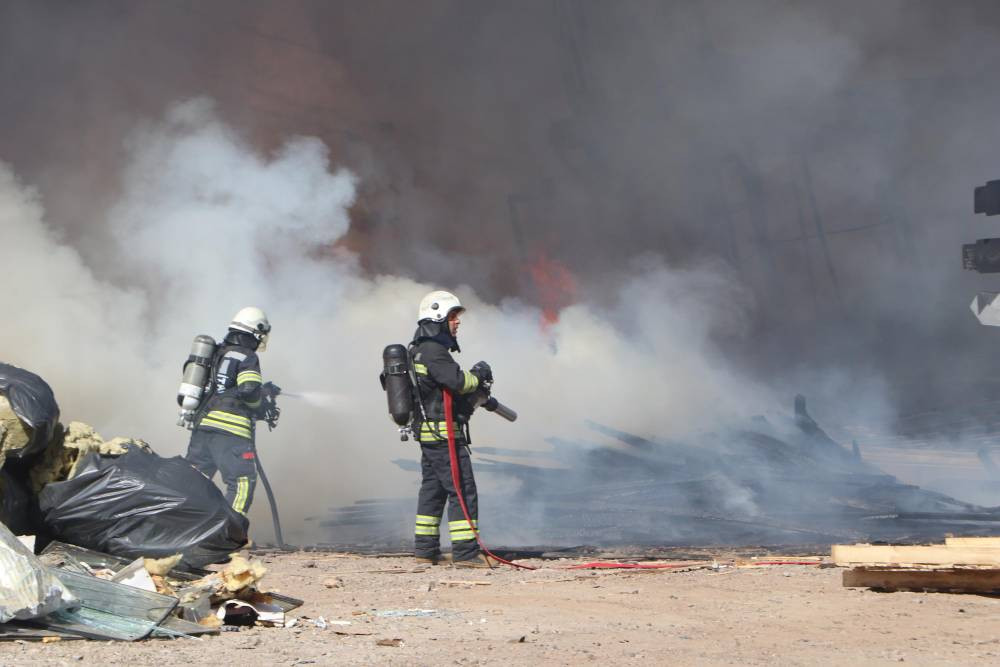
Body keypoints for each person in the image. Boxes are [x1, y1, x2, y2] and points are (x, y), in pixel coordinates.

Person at [410, 290, 495, 568]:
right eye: (453, 317)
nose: (457, 323)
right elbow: (458, 381)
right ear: (438, 318)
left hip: (431, 435)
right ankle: (467, 553)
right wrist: (479, 375)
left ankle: (425, 550)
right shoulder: (434, 352)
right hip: (444, 435)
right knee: (462, 489)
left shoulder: (419, 350)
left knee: (433, 491)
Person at [185, 306, 271, 516]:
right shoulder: (247, 356)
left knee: (192, 481)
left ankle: (181, 527)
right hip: (232, 433)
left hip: (203, 428)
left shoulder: (216, 352)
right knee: (241, 482)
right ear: (255, 332)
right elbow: (249, 391)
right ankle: (227, 534)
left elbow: (222, 388)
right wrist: (262, 404)